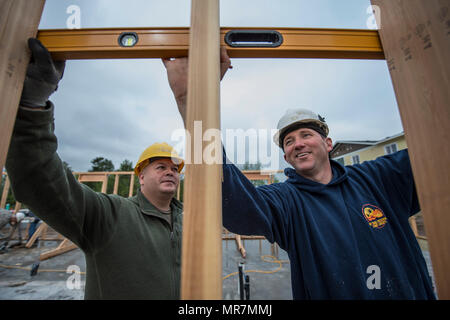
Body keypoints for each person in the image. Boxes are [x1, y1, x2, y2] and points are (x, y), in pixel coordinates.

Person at [163, 48, 436, 299]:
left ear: (328, 144)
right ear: (286, 157)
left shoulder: (378, 179)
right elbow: (229, 198)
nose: (298, 143)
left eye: (306, 134)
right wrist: (195, 104)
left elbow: (436, 146)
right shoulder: (286, 202)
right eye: (289, 141)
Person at [5, 38, 184, 299]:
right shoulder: (110, 215)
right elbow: (42, 183)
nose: (170, 171)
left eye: (174, 168)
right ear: (141, 176)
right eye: (160, 166)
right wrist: (30, 109)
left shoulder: (190, 221)